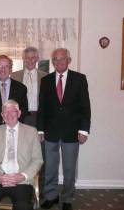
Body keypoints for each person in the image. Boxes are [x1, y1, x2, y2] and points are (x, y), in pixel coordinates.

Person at [37, 48, 91, 210]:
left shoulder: (79, 79)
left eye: (62, 59)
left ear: (69, 60)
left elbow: (85, 107)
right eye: (55, 59)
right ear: (52, 61)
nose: (58, 62)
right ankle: (51, 196)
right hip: (50, 132)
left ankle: (67, 198)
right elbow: (43, 108)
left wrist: (84, 130)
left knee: (69, 168)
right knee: (50, 167)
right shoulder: (46, 80)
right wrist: (40, 130)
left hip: (71, 132)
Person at [0, 100, 42, 210]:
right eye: (5, 112)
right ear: (2, 115)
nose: (9, 115)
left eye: (13, 111)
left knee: (23, 207)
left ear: (19, 113)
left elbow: (37, 160)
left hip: (21, 181)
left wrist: (22, 176)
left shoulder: (31, 132)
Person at [11, 46, 47, 199]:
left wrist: (43, 128)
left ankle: (40, 190)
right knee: (22, 153)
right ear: (23, 59)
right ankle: (21, 186)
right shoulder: (14, 75)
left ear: (37, 59)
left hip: (41, 117)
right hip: (21, 117)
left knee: (40, 154)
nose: (30, 60)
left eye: (33, 58)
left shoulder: (46, 77)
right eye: (27, 58)